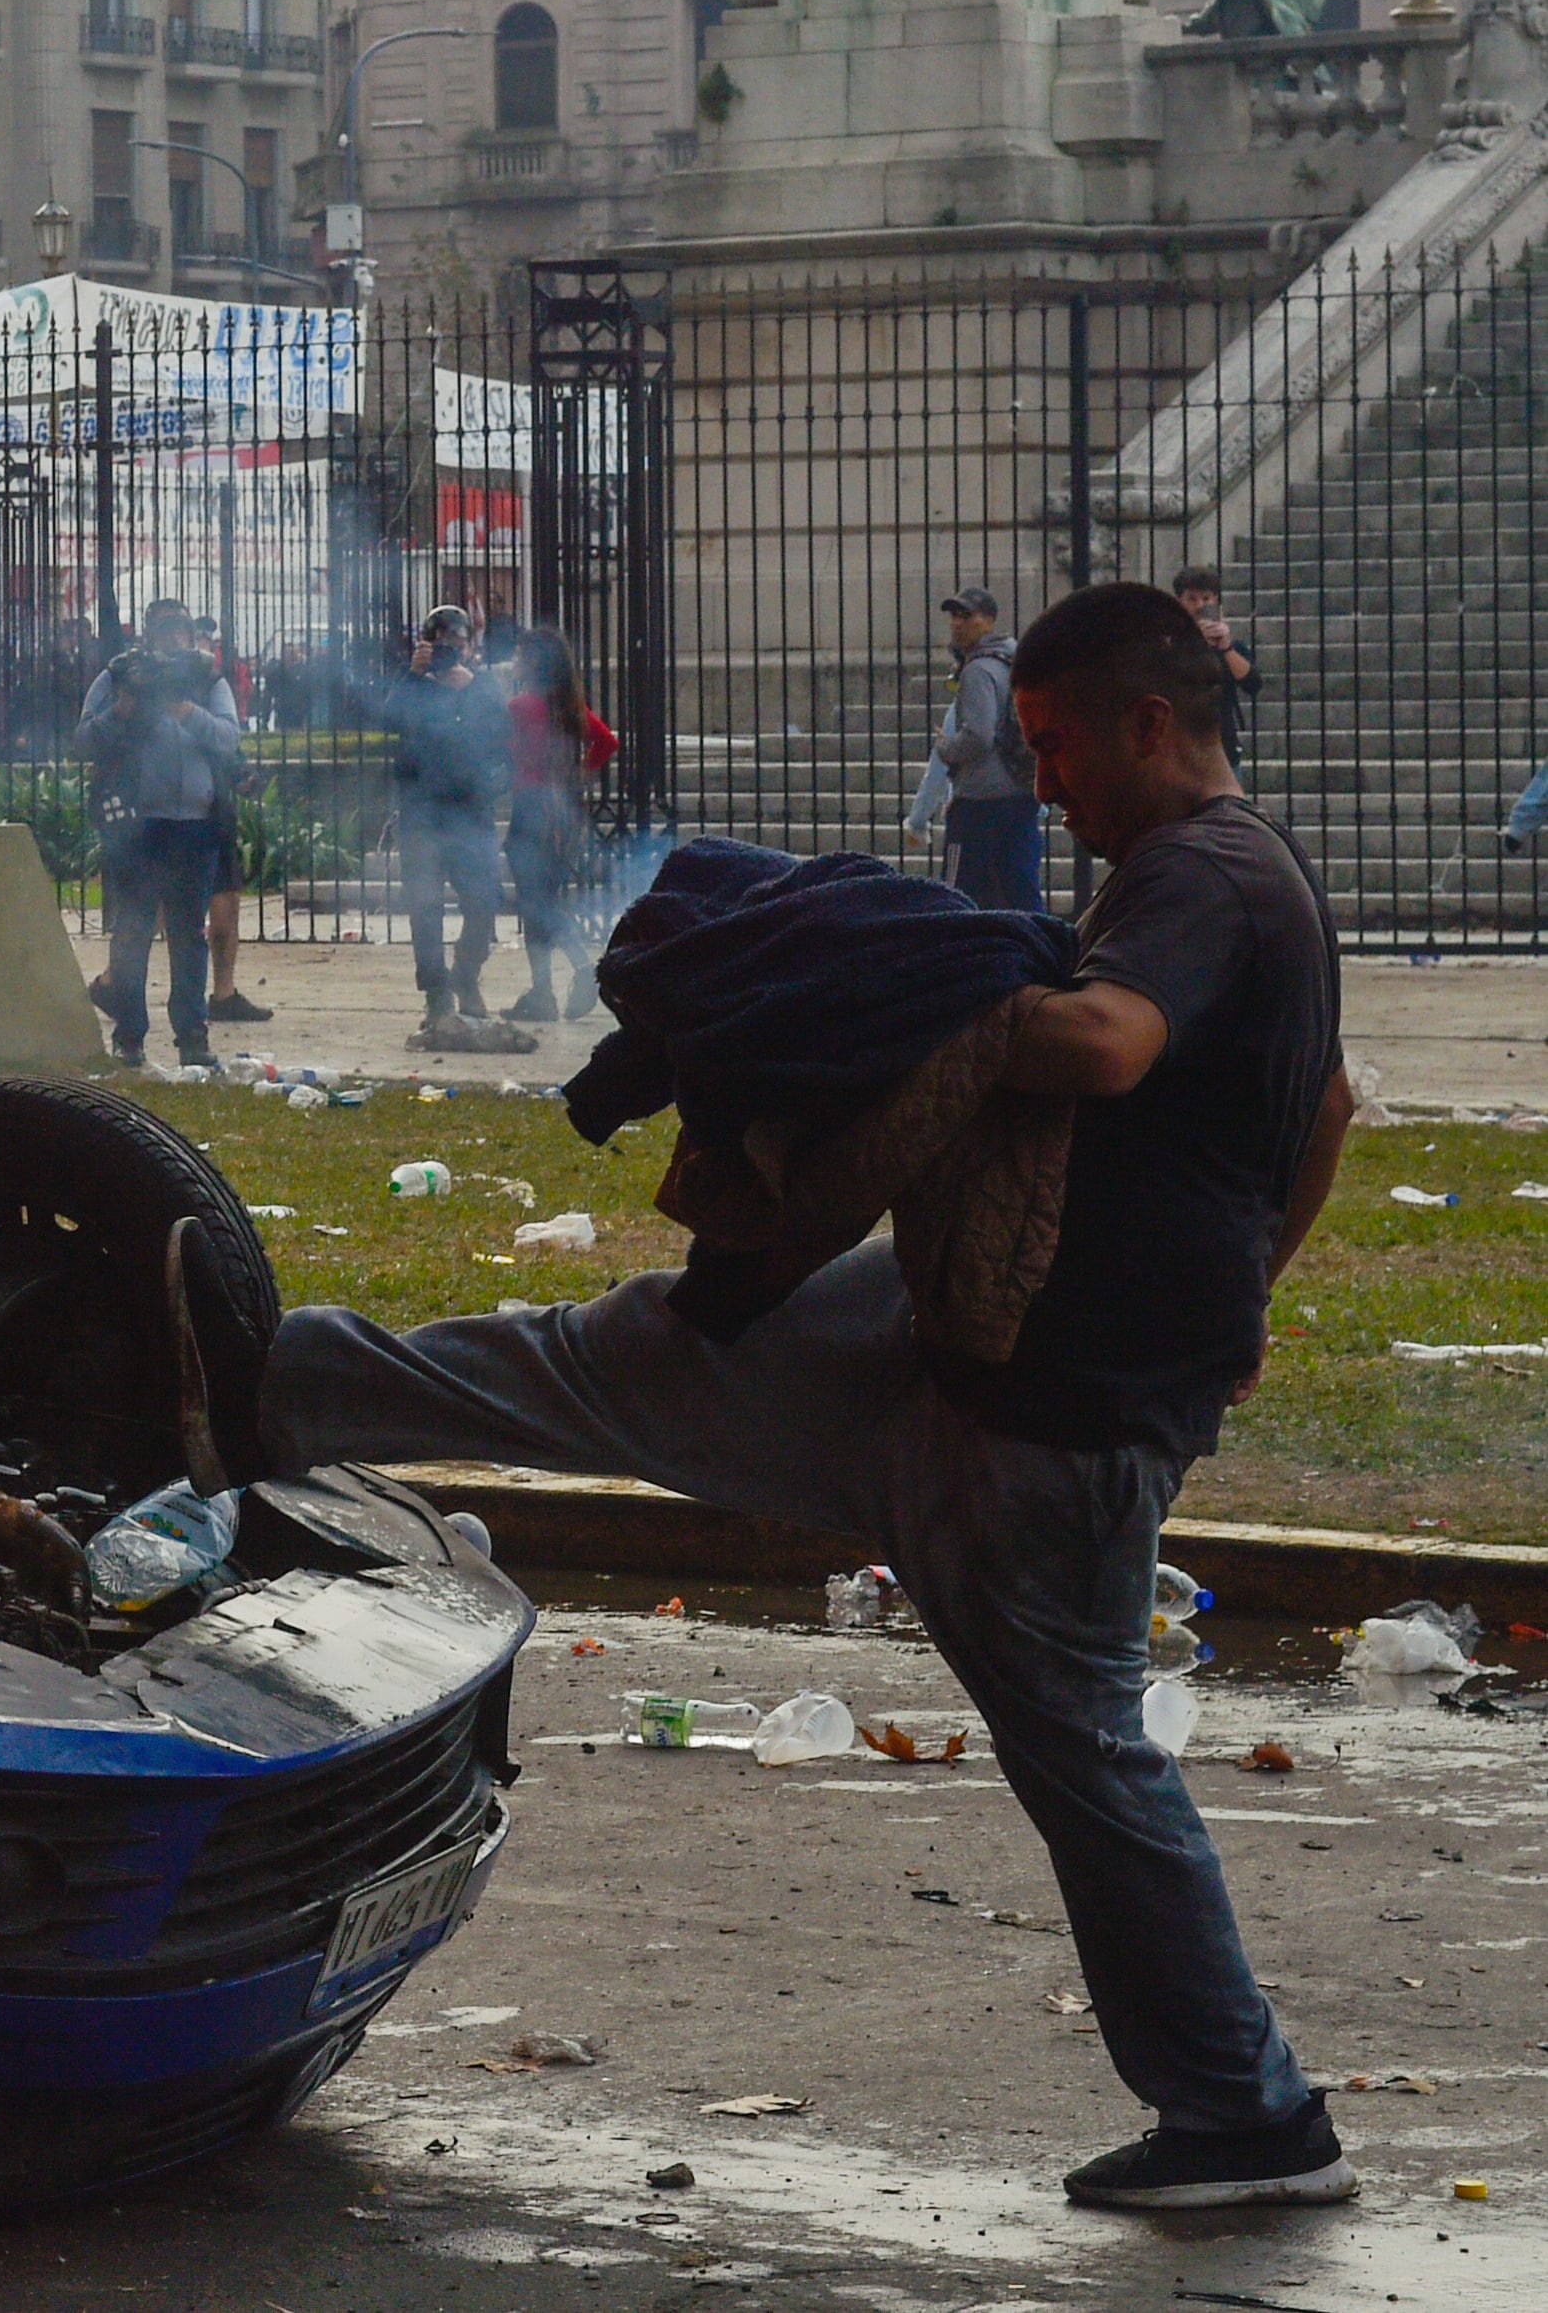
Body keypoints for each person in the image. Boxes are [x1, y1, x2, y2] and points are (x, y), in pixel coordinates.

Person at [244, 582, 1355, 2213]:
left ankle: (1252, 2121)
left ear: (1144, 723)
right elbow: (1321, 1099)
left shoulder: (1199, 865)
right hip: (956, 1335)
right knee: (614, 1353)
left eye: (1053, 745)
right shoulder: (1226, 875)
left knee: (1089, 1760)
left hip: (1051, 1411)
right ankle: (243, 1383)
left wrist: (911, 987)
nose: (1041, 781)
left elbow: (1108, 1043)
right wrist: (1251, 1282)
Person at [80, 601, 244, 1073]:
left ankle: (192, 1037)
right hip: (137, 826)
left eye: (182, 632)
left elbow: (230, 739)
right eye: (164, 632)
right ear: (148, 637)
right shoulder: (118, 678)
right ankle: (129, 1037)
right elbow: (85, 740)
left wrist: (188, 712)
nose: (174, 642)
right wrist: (126, 708)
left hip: (194, 826)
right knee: (131, 932)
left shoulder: (208, 680)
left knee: (187, 935)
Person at [386, 606, 518, 1048]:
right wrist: (413, 675)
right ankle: (436, 993)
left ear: (468, 646)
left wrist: (471, 691)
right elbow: (387, 721)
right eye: (439, 642)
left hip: (471, 812)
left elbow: (503, 739)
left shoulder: (483, 688)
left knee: (484, 901)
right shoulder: (415, 687)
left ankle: (466, 973)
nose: (448, 651)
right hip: (423, 813)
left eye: (455, 644)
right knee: (425, 910)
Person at [502, 623, 620, 1023]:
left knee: (539, 904)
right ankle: (542, 992)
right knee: (542, 902)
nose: (515, 660)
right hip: (559, 811)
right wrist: (579, 773)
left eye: (520, 653)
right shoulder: (566, 707)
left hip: (530, 809)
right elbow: (607, 742)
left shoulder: (520, 707)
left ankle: (579, 974)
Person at [910, 585, 1042, 913]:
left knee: (957, 895)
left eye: (966, 616)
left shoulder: (978, 670)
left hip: (979, 802)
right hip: (1021, 792)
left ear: (988, 621)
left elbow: (980, 737)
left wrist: (946, 748)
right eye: (954, 616)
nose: (956, 623)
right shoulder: (1014, 661)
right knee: (1020, 889)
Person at [195, 617, 270, 1028]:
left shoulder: (212, 686)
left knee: (225, 904)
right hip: (168, 812)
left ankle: (223, 994)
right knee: (153, 907)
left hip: (214, 809)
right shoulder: (145, 684)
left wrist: (240, 773)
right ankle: (115, 981)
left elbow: (227, 741)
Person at [1173, 567, 1256, 763]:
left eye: (1206, 598)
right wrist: (1194, 643)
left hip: (1223, 746)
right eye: (1192, 599)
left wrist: (1225, 648)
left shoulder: (1232, 648)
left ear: (1215, 600)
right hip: (1181, 747)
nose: (1199, 605)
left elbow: (1252, 684)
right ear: (1180, 603)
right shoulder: (1170, 645)